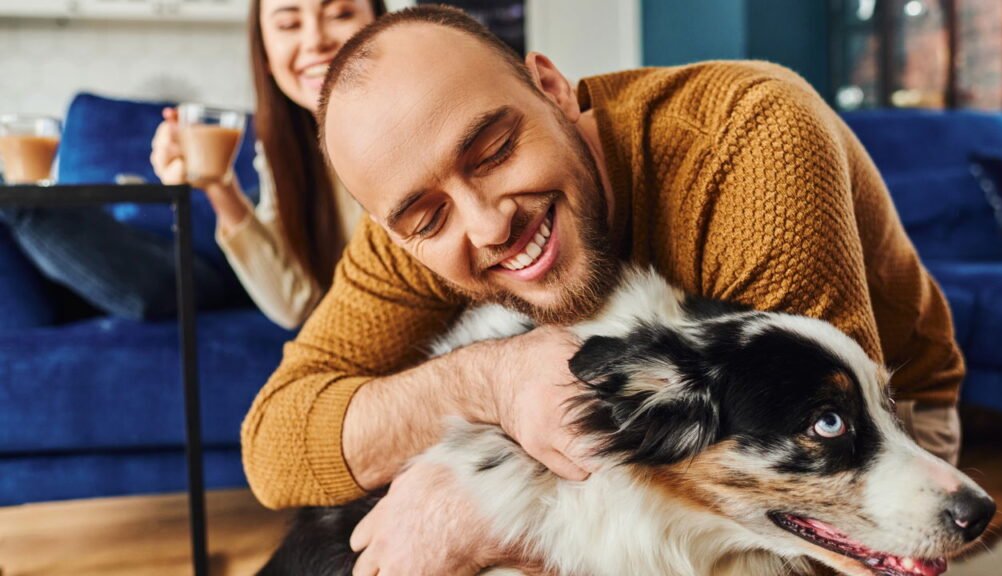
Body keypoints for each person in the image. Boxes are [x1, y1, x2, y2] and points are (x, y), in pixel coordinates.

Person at [242, 5, 965, 574]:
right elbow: (273, 446)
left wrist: (473, 521)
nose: (489, 224)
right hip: (675, 438)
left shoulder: (750, 138)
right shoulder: (413, 222)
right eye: (427, 218)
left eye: (494, 151)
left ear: (553, 88)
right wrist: (488, 382)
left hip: (871, 428)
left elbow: (806, 483)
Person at [0, 0, 383, 329]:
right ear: (264, 54)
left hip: (208, 255)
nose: (315, 40)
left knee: (150, 282)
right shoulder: (286, 150)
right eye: (288, 24)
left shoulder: (395, 142)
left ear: (383, 26)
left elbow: (295, 303)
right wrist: (216, 184)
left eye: (340, 13)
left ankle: (21, 200)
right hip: (201, 233)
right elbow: (296, 297)